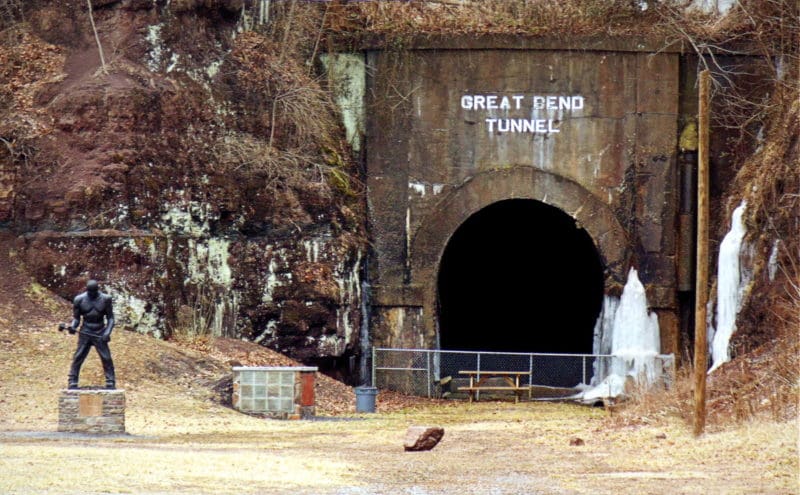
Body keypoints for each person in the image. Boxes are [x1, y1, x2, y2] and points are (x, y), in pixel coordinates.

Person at [66, 280, 116, 389]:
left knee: (106, 357)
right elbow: (76, 318)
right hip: (86, 331)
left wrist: (107, 332)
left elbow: (111, 318)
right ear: (87, 290)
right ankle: (72, 380)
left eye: (94, 292)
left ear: (97, 290)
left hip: (100, 330)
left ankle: (110, 380)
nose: (92, 294)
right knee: (78, 356)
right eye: (90, 292)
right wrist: (73, 327)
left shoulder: (105, 299)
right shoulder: (79, 299)